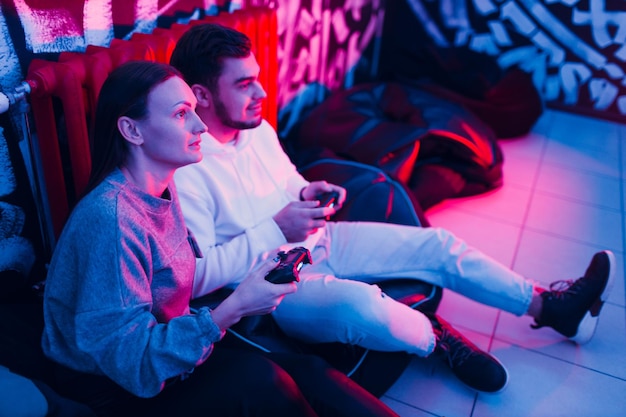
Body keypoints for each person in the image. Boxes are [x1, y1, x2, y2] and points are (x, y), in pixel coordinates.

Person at [170, 24, 615, 394]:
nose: (262, 92)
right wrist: (275, 228)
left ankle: (550, 307)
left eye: (258, 78)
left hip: (320, 239)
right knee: (357, 306)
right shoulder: (187, 168)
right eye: (244, 84)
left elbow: (288, 180)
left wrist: (310, 191)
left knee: (437, 244)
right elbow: (199, 276)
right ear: (201, 95)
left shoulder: (257, 128)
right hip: (275, 283)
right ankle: (433, 337)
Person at [41, 60, 402, 417]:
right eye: (182, 114)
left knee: (312, 373)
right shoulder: (112, 220)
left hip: (168, 353)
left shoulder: (162, 187)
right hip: (116, 387)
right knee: (262, 381)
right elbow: (131, 364)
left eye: (195, 111)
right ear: (132, 131)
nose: (201, 126)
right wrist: (234, 308)